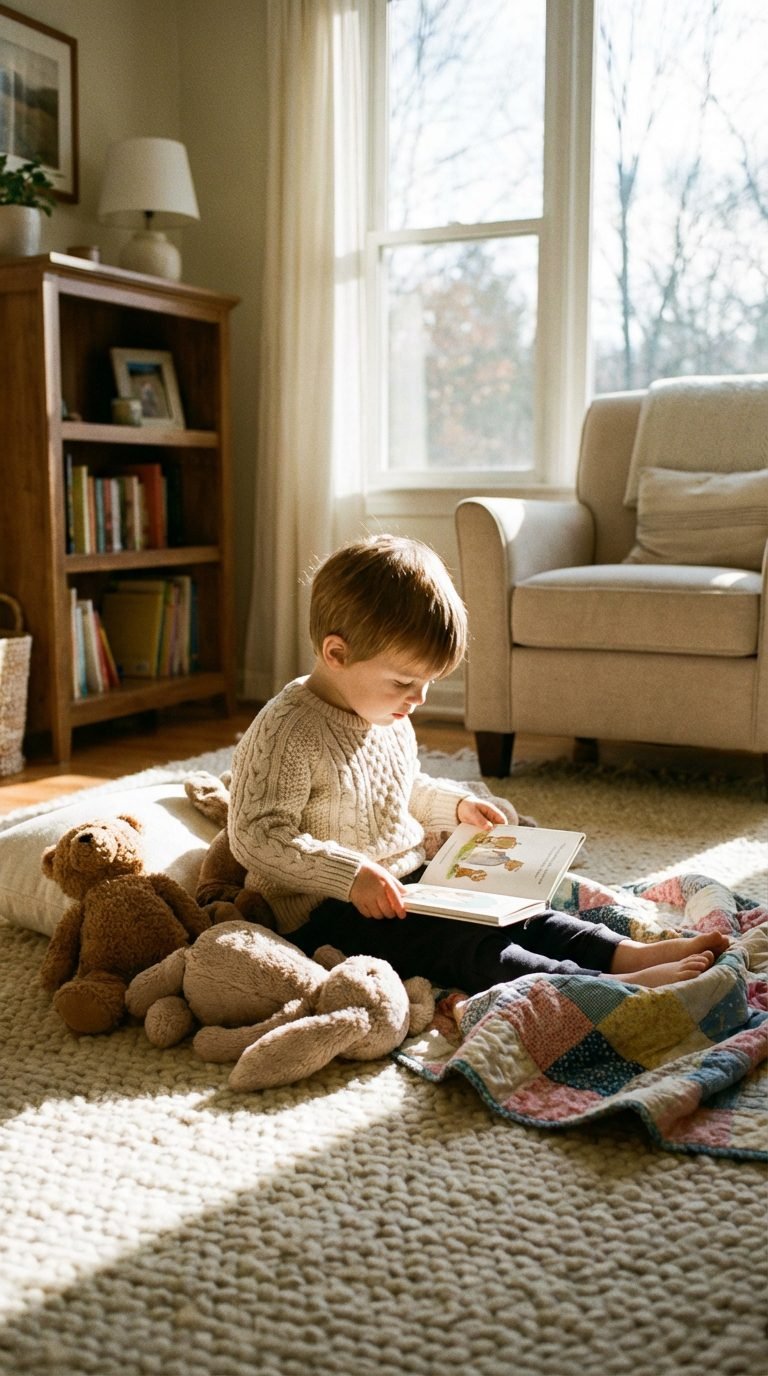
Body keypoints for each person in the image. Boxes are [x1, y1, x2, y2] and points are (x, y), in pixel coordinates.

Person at [228, 535, 728, 995]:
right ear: (337, 653)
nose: (419, 698)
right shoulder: (287, 730)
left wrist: (456, 807)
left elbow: (399, 790)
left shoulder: (386, 712)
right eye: (404, 681)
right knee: (468, 950)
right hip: (324, 910)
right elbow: (256, 835)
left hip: (407, 880)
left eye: (427, 682)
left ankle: (626, 954)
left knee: (517, 912)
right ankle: (597, 983)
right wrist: (350, 874)